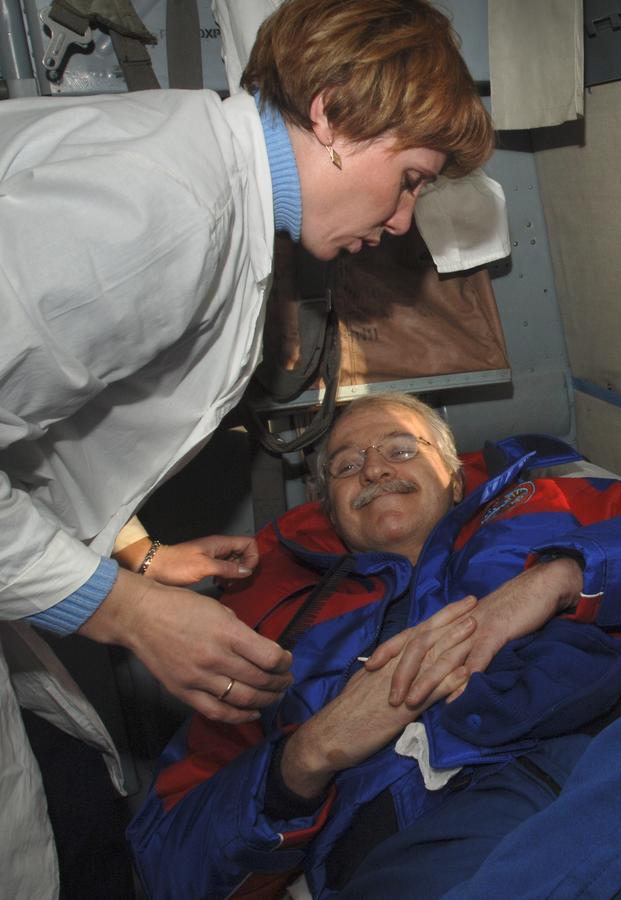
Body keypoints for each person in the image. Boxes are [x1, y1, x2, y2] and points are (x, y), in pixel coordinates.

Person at [0, 1, 492, 895]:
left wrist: (132, 552)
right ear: (334, 113)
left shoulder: (196, 176)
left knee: (67, 803)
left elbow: (26, 413)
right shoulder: (168, 214)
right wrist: (124, 611)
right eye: (411, 178)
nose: (401, 222)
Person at [128, 393, 621, 899]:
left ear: (454, 472)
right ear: (327, 509)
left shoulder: (557, 504)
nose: (372, 470)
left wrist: (554, 580)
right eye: (343, 465)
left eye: (399, 449)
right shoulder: (265, 627)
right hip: (434, 839)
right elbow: (164, 865)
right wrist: (309, 754)